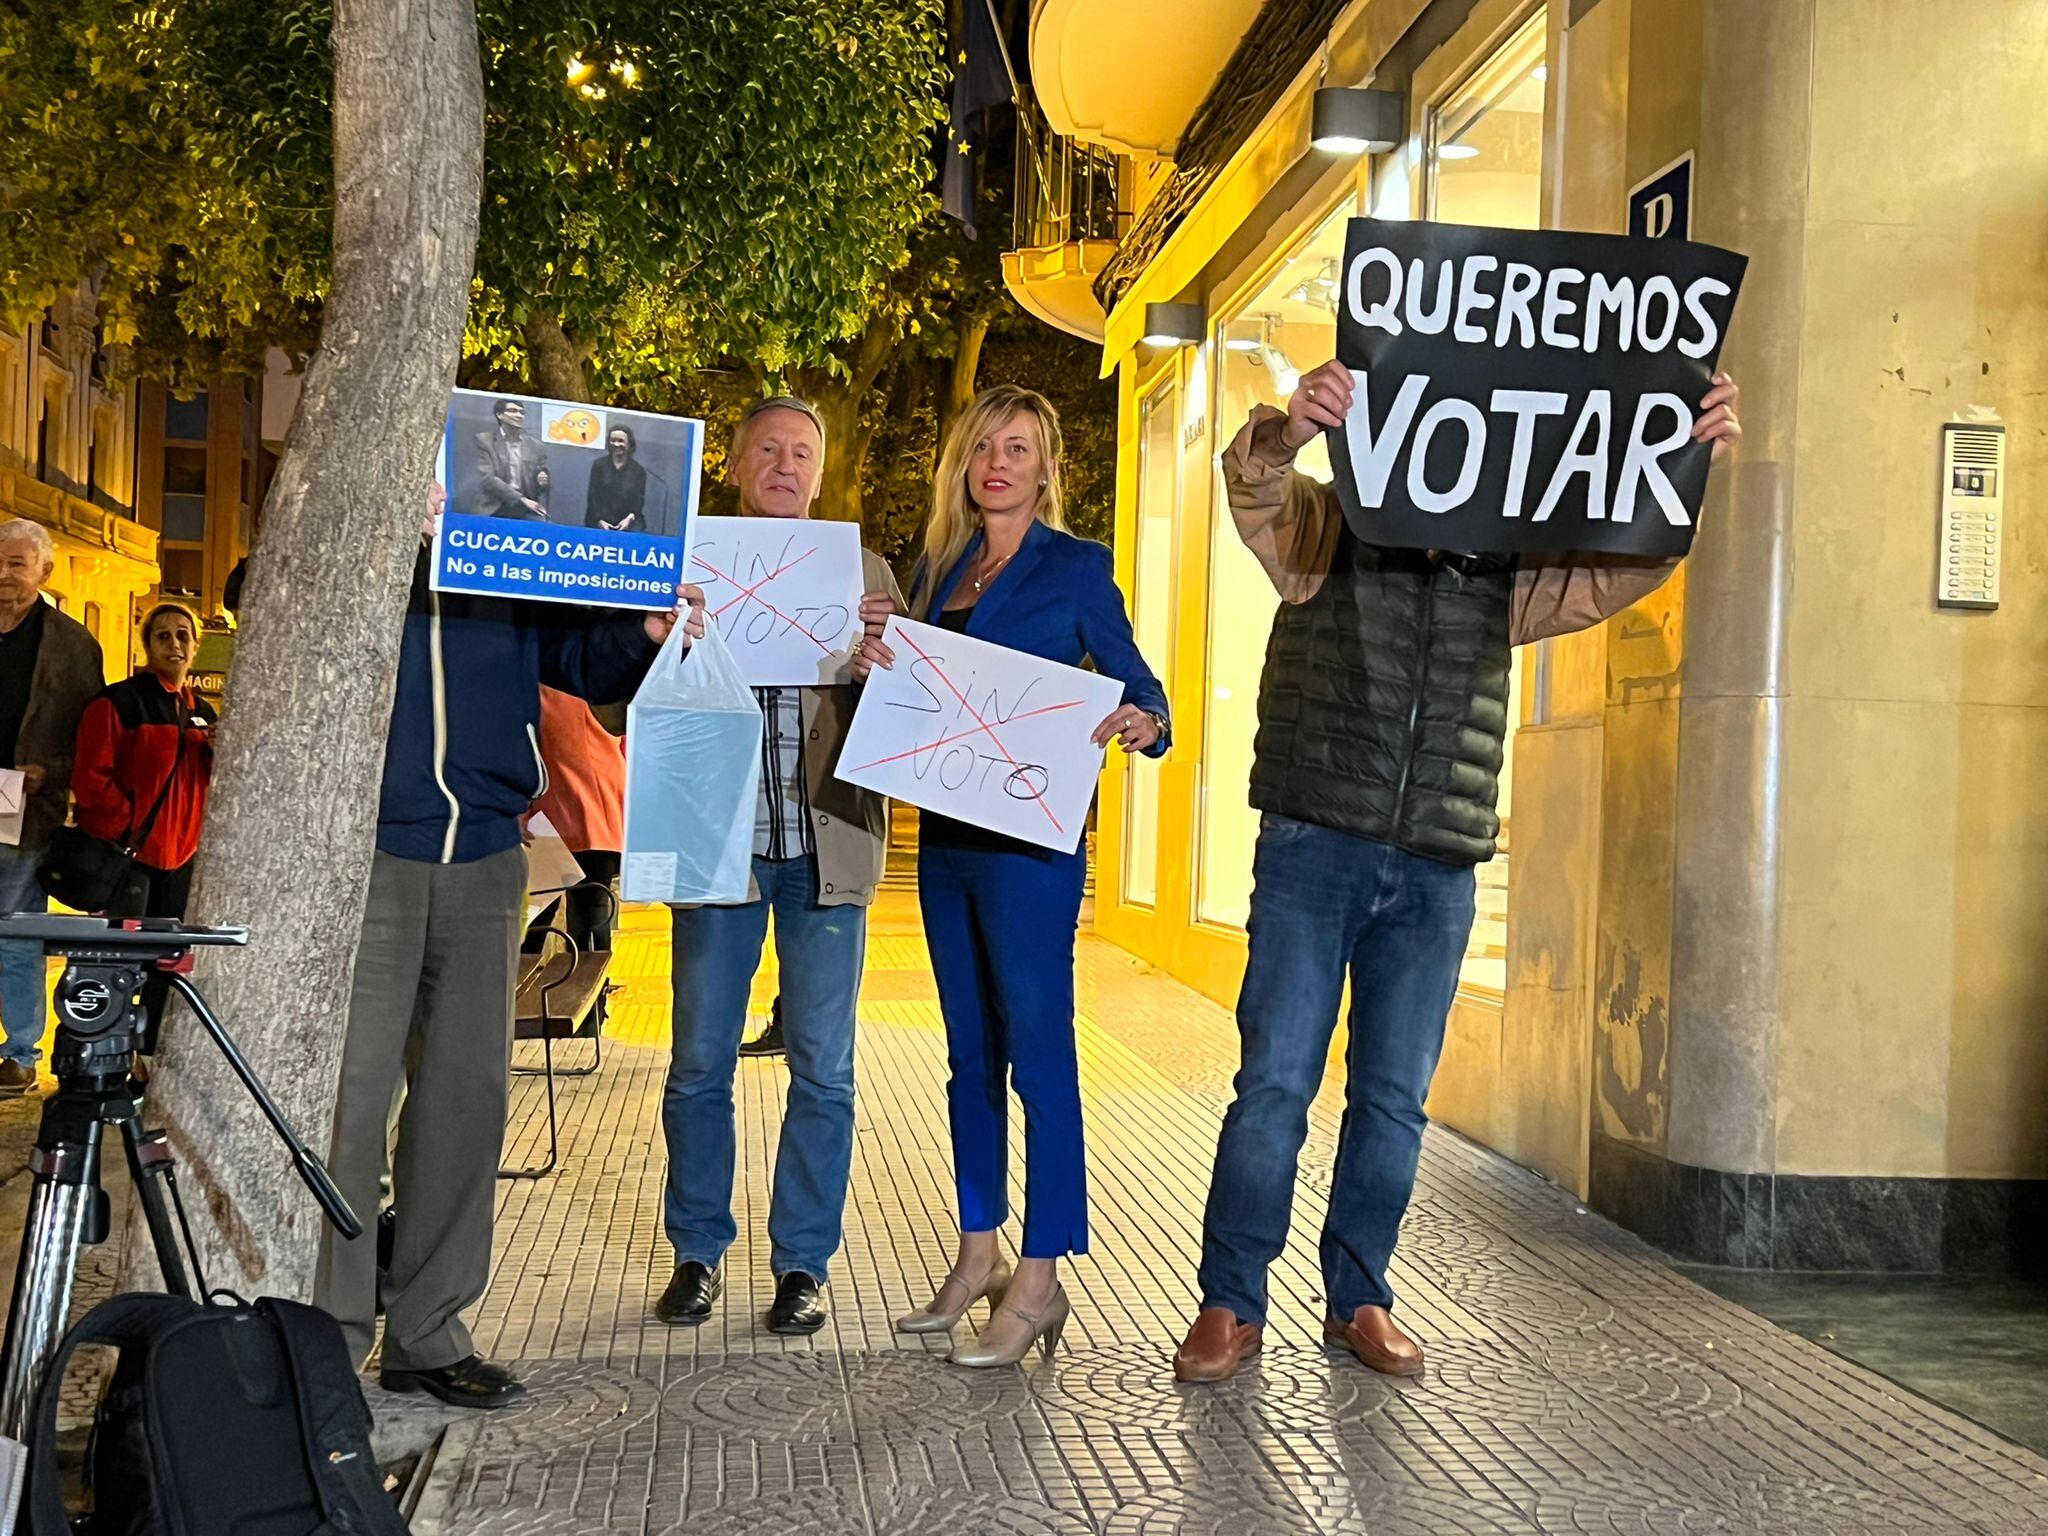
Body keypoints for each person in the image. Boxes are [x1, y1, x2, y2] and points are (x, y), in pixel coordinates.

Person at [1172, 361, 1743, 1385]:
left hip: (1438, 862)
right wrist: (1286, 428)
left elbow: (1624, 567)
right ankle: (1228, 1300)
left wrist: (1684, 461)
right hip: (1315, 845)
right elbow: (1254, 487)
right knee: (1273, 1087)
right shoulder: (1326, 531)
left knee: (1392, 1100)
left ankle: (1359, 1299)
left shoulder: (1507, 565)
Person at [312, 484, 704, 1409]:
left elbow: (569, 650)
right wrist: (386, 534)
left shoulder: (506, 540)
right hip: (370, 850)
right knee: (348, 1105)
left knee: (466, 1102)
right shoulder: (355, 513)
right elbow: (272, 593)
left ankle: (429, 1334)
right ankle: (324, 1340)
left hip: (491, 850)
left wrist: (642, 634)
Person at [871, 385, 1169, 1369]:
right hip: (946, 839)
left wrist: (1142, 722)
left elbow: (1140, 685)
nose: (997, 462)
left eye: (1019, 448)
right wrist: (882, 654)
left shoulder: (1077, 567)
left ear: (1046, 468)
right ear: (963, 463)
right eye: (983, 447)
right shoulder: (938, 567)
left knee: (1040, 1060)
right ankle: (974, 1255)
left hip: (1034, 850)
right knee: (968, 1057)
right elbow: (921, 697)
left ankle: (1038, 1279)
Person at [656, 396, 904, 1337]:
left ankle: (804, 1265)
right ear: (736, 460)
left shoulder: (865, 573)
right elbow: (625, 698)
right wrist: (664, 642)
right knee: (698, 1064)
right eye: (769, 449)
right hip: (718, 848)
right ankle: (697, 1255)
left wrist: (888, 662)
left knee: (825, 1072)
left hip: (825, 849)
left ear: (820, 468)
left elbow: (911, 720)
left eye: (803, 452)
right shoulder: (686, 569)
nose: (786, 465)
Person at [0, 519, 102, 1096]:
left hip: (21, 798)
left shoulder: (71, 645)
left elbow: (86, 737)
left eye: (17, 563)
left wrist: (50, 776)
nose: (3, 574)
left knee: (16, 929)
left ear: (44, 571)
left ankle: (17, 1052)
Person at [71, 602, 218, 922]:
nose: (174, 644)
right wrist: (129, 827)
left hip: (182, 862)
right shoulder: (118, 702)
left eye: (183, 635)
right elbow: (89, 781)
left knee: (169, 959)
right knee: (118, 959)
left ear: (195, 645)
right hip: (128, 859)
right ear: (147, 646)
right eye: (163, 636)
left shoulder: (204, 714)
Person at [526, 684, 626, 1020]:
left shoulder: (540, 682)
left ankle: (519, 1007)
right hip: (601, 811)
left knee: (533, 920)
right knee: (591, 915)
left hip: (549, 816)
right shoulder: (602, 679)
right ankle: (591, 1014)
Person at [472, 398, 550, 520]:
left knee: (544, 528)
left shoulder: (535, 446)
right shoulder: (484, 441)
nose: (519, 416)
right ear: (499, 415)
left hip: (525, 508)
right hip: (494, 505)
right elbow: (487, 479)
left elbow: (540, 489)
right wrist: (521, 499)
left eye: (522, 412)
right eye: (513, 411)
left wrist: (541, 482)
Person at [586, 426, 649, 533]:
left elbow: (639, 501)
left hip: (629, 524)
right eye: (613, 440)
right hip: (599, 522)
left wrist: (628, 520)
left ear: (629, 444)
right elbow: (592, 496)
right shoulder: (599, 465)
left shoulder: (638, 470)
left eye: (621, 441)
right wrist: (599, 520)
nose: (616, 444)